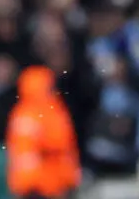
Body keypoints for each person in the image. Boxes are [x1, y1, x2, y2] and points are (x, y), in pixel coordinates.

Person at [5, 66, 82, 199]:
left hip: (31, 183)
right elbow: (59, 142)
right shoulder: (45, 111)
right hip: (43, 183)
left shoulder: (22, 111)